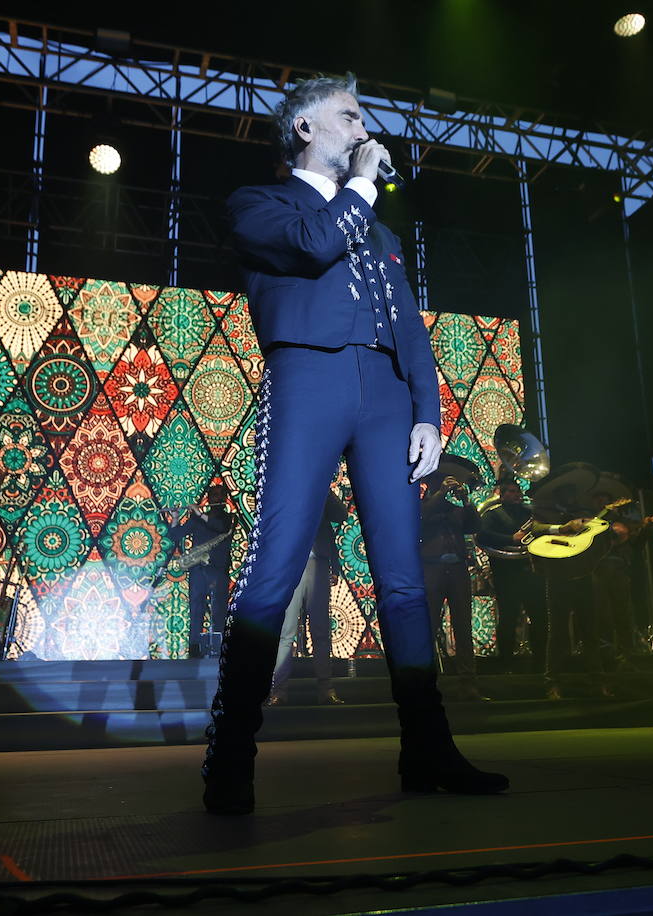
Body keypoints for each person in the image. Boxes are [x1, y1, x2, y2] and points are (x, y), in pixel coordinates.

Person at [202, 73, 507, 815]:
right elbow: (310, 247)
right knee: (275, 563)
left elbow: (407, 323)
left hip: (387, 396)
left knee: (401, 579)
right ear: (305, 129)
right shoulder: (260, 203)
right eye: (349, 114)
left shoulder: (382, 231)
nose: (363, 126)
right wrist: (363, 188)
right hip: (309, 377)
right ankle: (231, 752)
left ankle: (427, 748)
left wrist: (429, 412)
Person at [268, 490, 348, 705]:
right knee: (286, 632)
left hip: (318, 564)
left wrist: (324, 487)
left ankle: (326, 688)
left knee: (321, 630)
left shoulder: (319, 496)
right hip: (290, 567)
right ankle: (278, 691)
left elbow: (341, 515)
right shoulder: (288, 491)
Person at [420, 471, 486, 700]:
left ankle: (468, 683)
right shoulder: (425, 505)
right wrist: (441, 493)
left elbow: (476, 525)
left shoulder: (457, 510)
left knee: (463, 625)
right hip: (432, 568)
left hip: (457, 569)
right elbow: (422, 518)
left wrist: (466, 499)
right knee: (428, 625)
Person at [477, 479, 548, 673]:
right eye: (512, 491)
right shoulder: (492, 515)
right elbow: (481, 535)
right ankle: (506, 663)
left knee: (539, 617)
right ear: (501, 494)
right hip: (506, 572)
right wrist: (511, 539)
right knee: (509, 617)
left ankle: (540, 662)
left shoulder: (529, 514)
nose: (517, 495)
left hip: (530, 569)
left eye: (518, 492)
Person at [166, 482, 235, 658]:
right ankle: (194, 649)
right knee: (196, 608)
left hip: (218, 570)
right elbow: (175, 535)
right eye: (214, 495)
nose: (217, 498)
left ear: (225, 499)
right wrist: (175, 518)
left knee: (219, 610)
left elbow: (220, 528)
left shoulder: (228, 518)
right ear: (208, 498)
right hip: (198, 569)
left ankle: (219, 649)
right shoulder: (197, 519)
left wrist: (199, 513)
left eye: (220, 496)